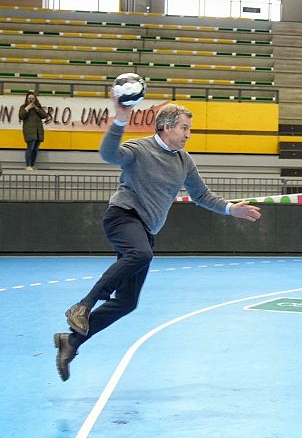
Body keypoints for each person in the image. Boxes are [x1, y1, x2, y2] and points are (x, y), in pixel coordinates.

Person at [53, 94, 262, 382]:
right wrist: (120, 120)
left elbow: (201, 195)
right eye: (184, 128)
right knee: (140, 254)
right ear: (165, 127)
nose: (189, 134)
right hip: (122, 216)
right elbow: (108, 155)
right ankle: (83, 306)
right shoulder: (140, 149)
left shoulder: (183, 161)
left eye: (189, 128)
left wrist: (230, 209)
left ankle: (72, 341)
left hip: (145, 231)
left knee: (127, 302)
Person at [19, 91, 49, 171]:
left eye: (32, 98)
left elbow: (44, 116)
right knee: (30, 148)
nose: (31, 100)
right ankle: (28, 165)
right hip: (29, 131)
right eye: (29, 98)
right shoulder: (23, 107)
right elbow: (21, 116)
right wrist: (27, 108)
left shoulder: (38, 107)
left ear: (35, 99)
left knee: (35, 149)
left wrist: (36, 108)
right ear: (27, 99)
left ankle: (32, 165)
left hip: (38, 131)